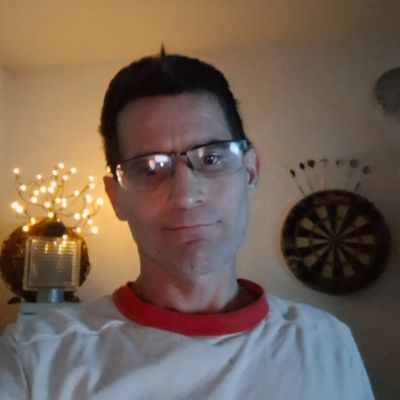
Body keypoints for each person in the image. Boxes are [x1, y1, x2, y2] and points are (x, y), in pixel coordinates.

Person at [0, 51, 374, 399]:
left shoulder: (328, 345)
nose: (185, 195)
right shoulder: (34, 358)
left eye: (211, 158)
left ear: (250, 171)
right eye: (150, 168)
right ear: (116, 197)